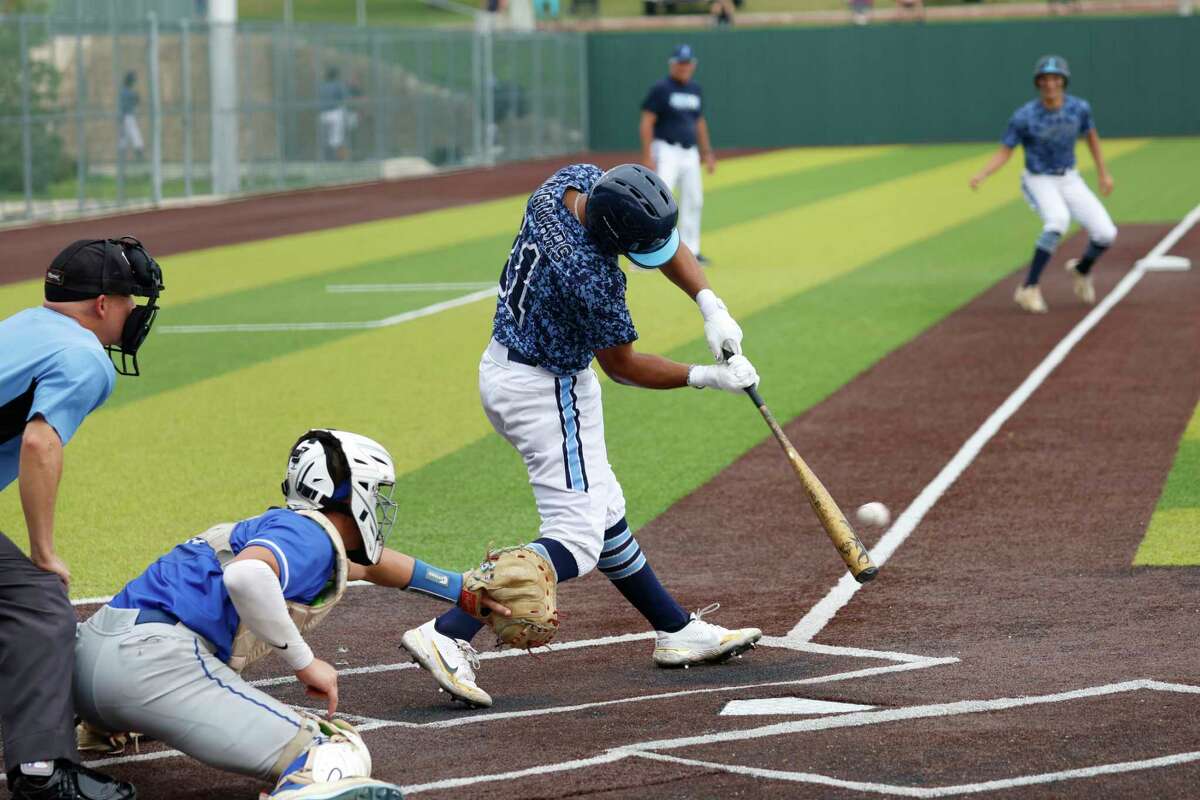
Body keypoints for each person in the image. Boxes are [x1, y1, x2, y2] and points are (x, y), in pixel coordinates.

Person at [401, 163, 763, 708]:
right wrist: (706, 376)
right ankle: (450, 630)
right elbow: (622, 366)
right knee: (577, 537)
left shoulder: (567, 185)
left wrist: (711, 304)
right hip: (547, 393)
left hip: (507, 367)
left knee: (604, 506)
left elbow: (659, 238)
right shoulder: (592, 276)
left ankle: (675, 629)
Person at [72, 429, 510, 800]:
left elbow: (371, 565)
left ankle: (102, 728)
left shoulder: (285, 529)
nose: (379, 507)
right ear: (349, 493)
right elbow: (246, 578)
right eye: (374, 493)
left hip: (89, 669)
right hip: (152, 669)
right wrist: (305, 662)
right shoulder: (308, 534)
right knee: (332, 750)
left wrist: (461, 590)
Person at [0, 237, 163, 800]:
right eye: (129, 303)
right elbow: (40, 444)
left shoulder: (21, 326)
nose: (132, 315)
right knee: (39, 605)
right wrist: (44, 552)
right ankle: (44, 772)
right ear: (101, 304)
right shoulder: (85, 358)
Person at [970, 55, 1117, 313]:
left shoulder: (1079, 108)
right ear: (1038, 83)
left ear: (1064, 81)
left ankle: (1082, 270)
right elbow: (1006, 150)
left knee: (1106, 233)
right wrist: (983, 174)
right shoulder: (1024, 116)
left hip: (1069, 177)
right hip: (1039, 178)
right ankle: (1029, 288)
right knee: (1057, 221)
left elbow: (1091, 137)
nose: (1050, 84)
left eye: (1056, 78)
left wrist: (1103, 173)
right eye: (1045, 79)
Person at [639, 45, 715, 266]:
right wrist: (647, 155)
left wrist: (707, 152)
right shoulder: (661, 88)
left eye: (688, 62)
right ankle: (647, 251)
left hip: (689, 152)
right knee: (658, 201)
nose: (684, 67)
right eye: (680, 62)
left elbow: (699, 122)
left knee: (694, 200)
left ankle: (691, 251)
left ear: (693, 65)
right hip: (666, 150)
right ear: (672, 64)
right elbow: (647, 121)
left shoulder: (695, 89)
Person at [318, 67, 350, 162]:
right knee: (338, 138)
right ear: (336, 76)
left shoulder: (322, 86)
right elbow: (345, 98)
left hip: (323, 114)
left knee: (325, 139)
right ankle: (341, 159)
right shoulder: (338, 85)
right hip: (335, 113)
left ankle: (326, 159)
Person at [118, 72, 144, 161]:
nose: (133, 83)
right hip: (128, 116)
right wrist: (136, 96)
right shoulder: (127, 92)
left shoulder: (124, 91)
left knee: (124, 135)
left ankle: (122, 153)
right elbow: (137, 99)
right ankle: (139, 150)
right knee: (133, 133)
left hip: (125, 116)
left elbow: (136, 100)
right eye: (132, 81)